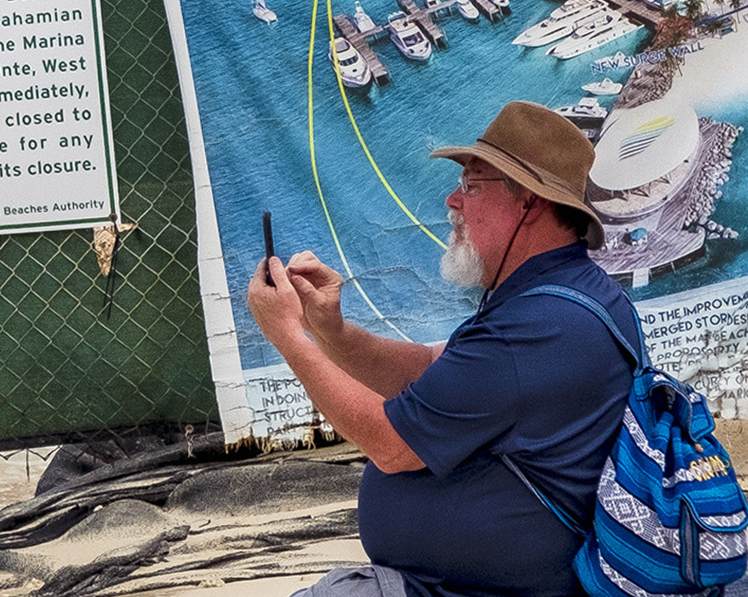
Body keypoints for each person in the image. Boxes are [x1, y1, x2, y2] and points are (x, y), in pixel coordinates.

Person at [242, 101, 639, 597]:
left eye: (471, 186)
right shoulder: (562, 291)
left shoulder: (539, 327)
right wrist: (331, 330)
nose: (453, 201)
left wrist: (288, 338)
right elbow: (430, 367)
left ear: (529, 204)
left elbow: (391, 447)